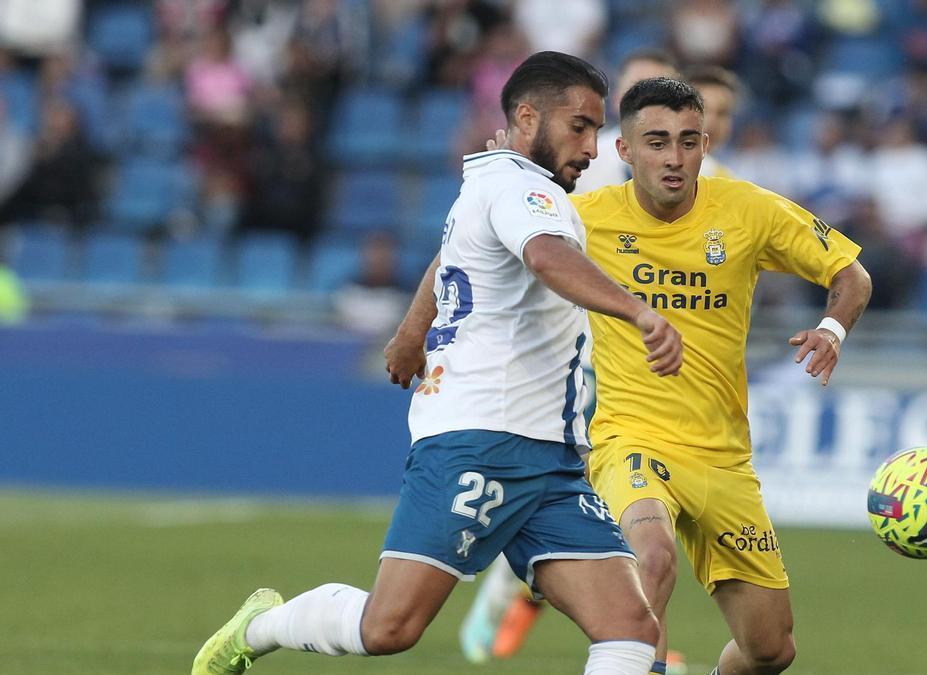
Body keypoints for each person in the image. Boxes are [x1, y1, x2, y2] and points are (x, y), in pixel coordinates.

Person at [192, 51, 684, 675]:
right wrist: (640, 314)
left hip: (550, 457)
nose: (593, 147)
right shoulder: (523, 190)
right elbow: (544, 257)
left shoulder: (492, 181)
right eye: (580, 127)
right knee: (389, 627)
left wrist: (411, 329)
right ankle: (258, 627)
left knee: (631, 626)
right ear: (527, 117)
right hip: (482, 442)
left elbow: (456, 256)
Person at [448, 77, 872, 675]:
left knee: (771, 650)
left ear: (705, 144)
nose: (674, 158)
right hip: (631, 440)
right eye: (656, 142)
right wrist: (419, 331)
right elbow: (475, 242)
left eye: (688, 141)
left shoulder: (749, 210)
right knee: (651, 556)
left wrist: (831, 330)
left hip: (724, 459)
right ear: (624, 151)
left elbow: (852, 274)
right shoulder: (583, 218)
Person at [574, 49, 679, 193]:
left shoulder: (704, 170)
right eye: (638, 90)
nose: (650, 100)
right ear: (617, 99)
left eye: (662, 92)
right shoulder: (584, 163)